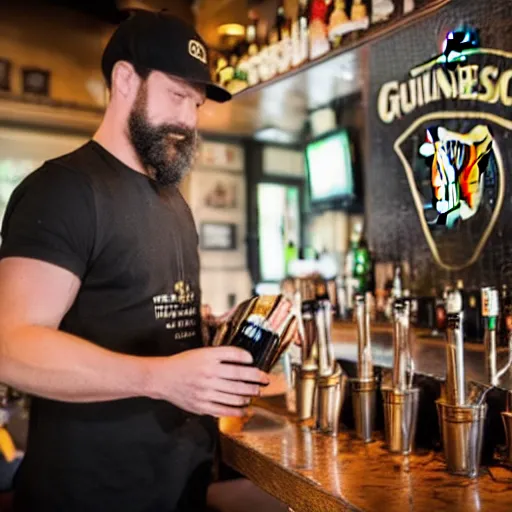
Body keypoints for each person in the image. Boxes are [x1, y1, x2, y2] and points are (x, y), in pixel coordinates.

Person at [0, 11, 278, 512]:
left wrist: (225, 336)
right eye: (176, 95)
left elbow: (152, 318)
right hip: (89, 495)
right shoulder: (62, 190)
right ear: (125, 79)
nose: (190, 120)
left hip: (177, 484)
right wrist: (160, 377)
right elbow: (11, 345)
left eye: (195, 104)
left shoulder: (173, 202)